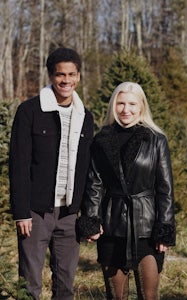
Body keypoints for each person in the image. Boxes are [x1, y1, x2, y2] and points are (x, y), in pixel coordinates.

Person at [9, 47, 94, 300]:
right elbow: (19, 164)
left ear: (78, 76)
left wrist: (88, 214)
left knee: (65, 286)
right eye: (60, 75)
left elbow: (87, 169)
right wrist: (21, 212)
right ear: (50, 75)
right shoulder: (29, 112)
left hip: (69, 214)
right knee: (30, 285)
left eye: (71, 74)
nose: (66, 81)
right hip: (35, 213)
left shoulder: (85, 117)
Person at [78, 82, 176, 300]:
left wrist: (165, 228)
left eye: (132, 103)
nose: (126, 109)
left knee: (149, 296)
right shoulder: (102, 140)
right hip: (111, 228)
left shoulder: (156, 139)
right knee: (115, 297)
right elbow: (94, 183)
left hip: (148, 230)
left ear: (141, 106)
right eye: (120, 103)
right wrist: (91, 221)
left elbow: (165, 188)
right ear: (113, 105)